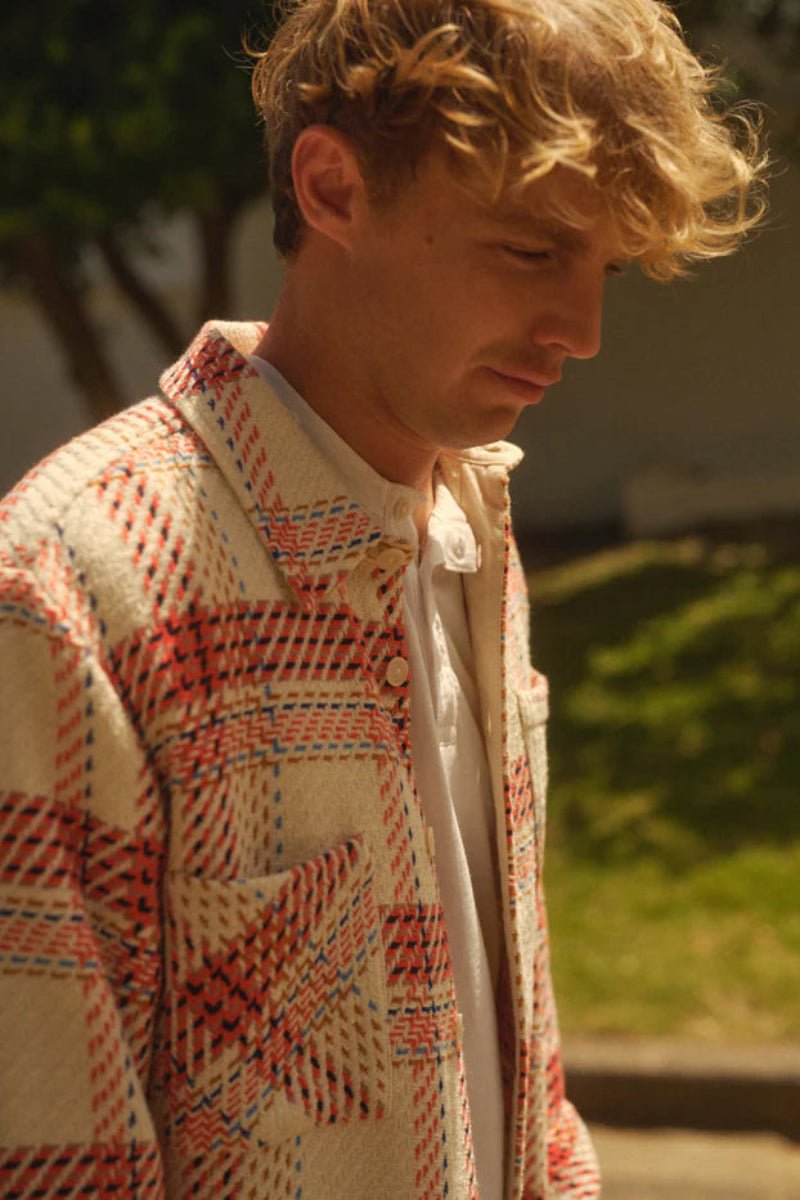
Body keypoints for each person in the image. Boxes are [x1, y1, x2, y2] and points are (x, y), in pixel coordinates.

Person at [0, 1, 765, 1197]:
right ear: (333, 188)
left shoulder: (468, 538)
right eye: (529, 248)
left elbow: (518, 1071)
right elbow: (49, 1157)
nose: (583, 329)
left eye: (604, 264)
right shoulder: (69, 587)